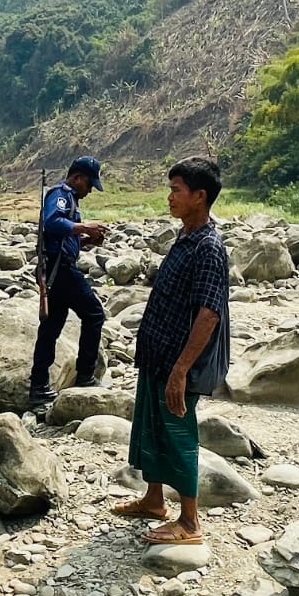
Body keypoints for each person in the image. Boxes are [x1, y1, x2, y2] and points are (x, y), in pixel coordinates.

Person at [114, 157, 231, 547]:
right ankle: (153, 500)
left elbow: (209, 313)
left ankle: (191, 522)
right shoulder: (185, 237)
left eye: (176, 190)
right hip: (158, 356)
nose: (170, 197)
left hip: (178, 362)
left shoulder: (208, 247)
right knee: (151, 427)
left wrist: (181, 370)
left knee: (178, 434)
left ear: (199, 196)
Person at [28, 155, 109, 409]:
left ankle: (39, 387)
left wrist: (87, 240)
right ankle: (85, 375)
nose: (90, 190)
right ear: (78, 178)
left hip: (57, 268)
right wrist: (84, 227)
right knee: (94, 314)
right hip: (59, 270)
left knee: (51, 328)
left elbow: (63, 240)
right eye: (89, 184)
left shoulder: (71, 200)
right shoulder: (61, 195)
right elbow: (52, 222)